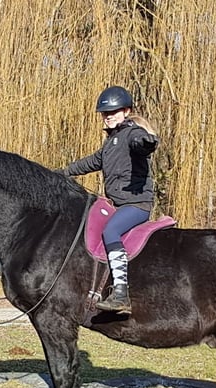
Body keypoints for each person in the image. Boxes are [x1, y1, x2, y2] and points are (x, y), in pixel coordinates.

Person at [57, 85, 159, 315]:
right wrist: (61, 173)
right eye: (105, 113)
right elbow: (89, 162)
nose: (109, 116)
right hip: (118, 205)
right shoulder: (110, 144)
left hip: (136, 205)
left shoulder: (131, 133)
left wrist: (147, 142)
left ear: (126, 111)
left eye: (113, 111)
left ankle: (121, 293)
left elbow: (140, 142)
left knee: (111, 232)